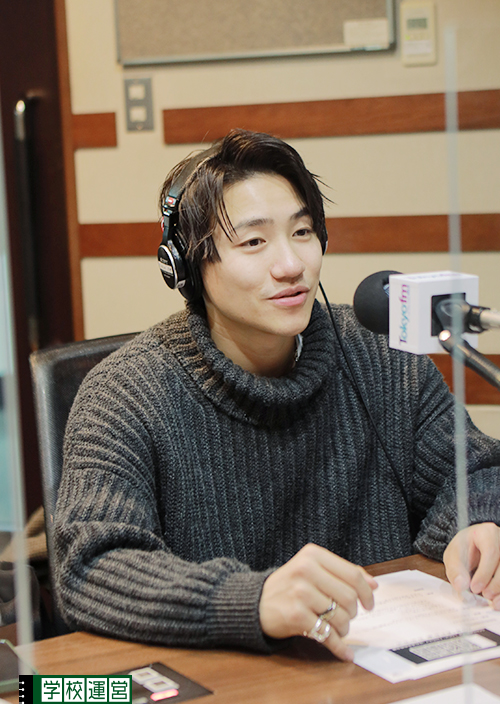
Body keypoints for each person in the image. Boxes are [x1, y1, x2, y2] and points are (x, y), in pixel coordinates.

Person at [54, 129, 500, 661]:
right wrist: (252, 600)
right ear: (188, 267)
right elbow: (91, 569)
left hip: (379, 666)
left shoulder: (382, 356)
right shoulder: (124, 394)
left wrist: (479, 519)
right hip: (230, 683)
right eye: (253, 242)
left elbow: (477, 470)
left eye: (302, 232)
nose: (291, 265)